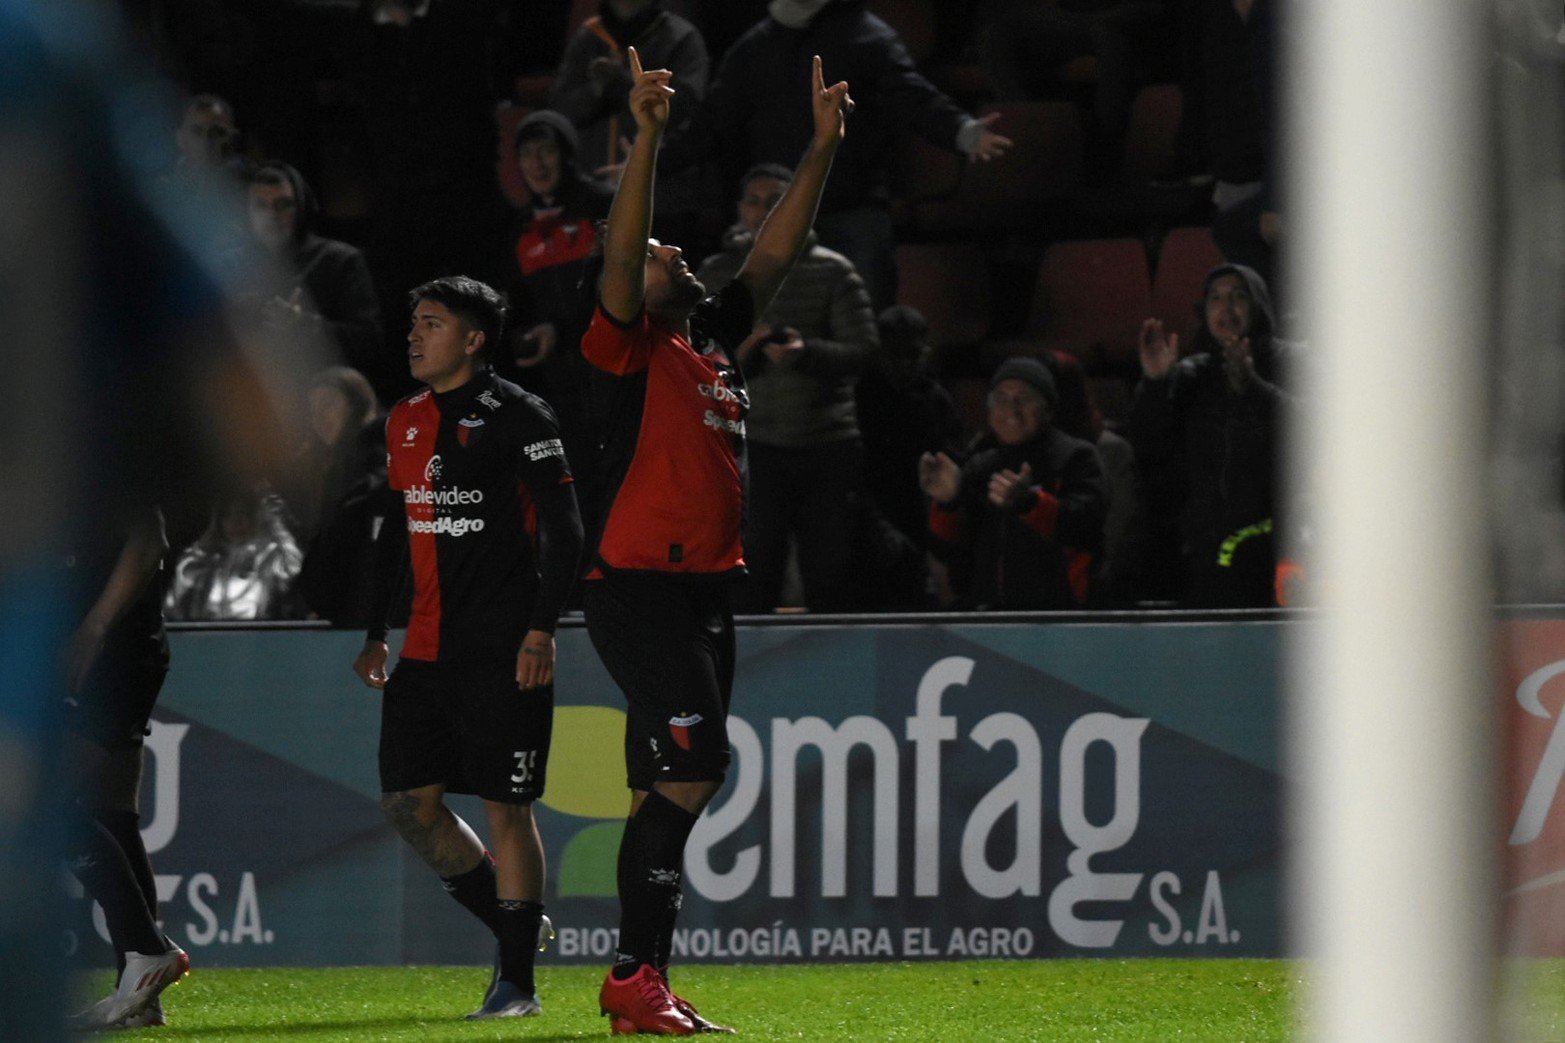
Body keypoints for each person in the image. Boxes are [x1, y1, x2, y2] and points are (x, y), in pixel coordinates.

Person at [581, 47, 850, 1034]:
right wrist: (645, 136)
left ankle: (641, 978)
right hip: (637, 584)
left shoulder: (703, 351)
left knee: (671, 780)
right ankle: (627, 973)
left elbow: (773, 254)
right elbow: (617, 253)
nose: (669, 253)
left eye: (671, 250)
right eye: (658, 254)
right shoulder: (625, 349)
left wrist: (818, 149)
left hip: (702, 593)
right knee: (692, 771)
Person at [352, 276, 584, 1020]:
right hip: (421, 650)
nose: (414, 336)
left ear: (475, 338)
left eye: (431, 323)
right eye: (412, 322)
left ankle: (516, 982)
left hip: (501, 646)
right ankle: (514, 925)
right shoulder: (405, 420)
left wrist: (541, 627)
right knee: (407, 804)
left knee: (504, 806)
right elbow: (397, 530)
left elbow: (566, 530)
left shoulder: (522, 416)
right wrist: (373, 632)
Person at [658, 0, 1012, 308]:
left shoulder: (865, 36)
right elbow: (711, 122)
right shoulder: (757, 45)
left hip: (851, 208)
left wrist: (962, 131)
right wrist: (649, 165)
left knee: (866, 322)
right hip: (780, 215)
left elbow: (912, 96)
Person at [697, 162, 878, 612]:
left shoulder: (832, 270)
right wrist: (748, 354)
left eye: (776, 201)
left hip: (827, 443)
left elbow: (865, 351)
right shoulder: (718, 272)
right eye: (754, 201)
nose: (763, 211)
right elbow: (693, 363)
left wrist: (807, 353)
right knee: (753, 575)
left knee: (830, 575)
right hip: (752, 445)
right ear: (739, 209)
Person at [63, 509, 190, 1030]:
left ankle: (144, 948)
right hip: (114, 650)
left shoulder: (101, 443)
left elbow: (148, 535)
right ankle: (139, 994)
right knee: (111, 815)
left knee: (40, 802)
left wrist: (93, 628)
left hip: (105, 655)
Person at [1128, 262, 1296, 606]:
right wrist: (1157, 383)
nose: (1226, 308)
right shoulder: (1192, 373)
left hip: (1282, 545)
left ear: (1258, 305)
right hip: (1207, 548)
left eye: (1238, 297)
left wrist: (1253, 388)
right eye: (1215, 299)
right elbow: (1150, 445)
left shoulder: (1292, 361)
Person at [919, 357, 1107, 610]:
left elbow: (1086, 526)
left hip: (1060, 617)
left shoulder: (1076, 457)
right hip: (989, 620)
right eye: (1001, 399)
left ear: (1048, 408)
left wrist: (1029, 504)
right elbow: (947, 550)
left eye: (1024, 399)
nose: (1012, 410)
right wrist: (948, 502)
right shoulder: (978, 465)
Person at [503, 110, 615, 531]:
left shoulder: (600, 206)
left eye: (546, 151)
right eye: (526, 154)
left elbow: (621, 288)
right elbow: (517, 306)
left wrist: (563, 330)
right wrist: (523, 337)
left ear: (566, 155)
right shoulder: (518, 228)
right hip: (557, 387)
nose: (537, 164)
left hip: (609, 372)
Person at [548, 0, 714, 256]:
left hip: (660, 198)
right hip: (595, 196)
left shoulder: (680, 37)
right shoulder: (588, 37)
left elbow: (687, 111)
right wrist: (596, 89)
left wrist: (622, 83)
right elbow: (561, 113)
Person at [243, 163, 387, 396]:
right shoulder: (230, 267)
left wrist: (304, 325)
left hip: (323, 402)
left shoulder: (340, 260)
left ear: (301, 208)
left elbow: (369, 343)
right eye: (260, 206)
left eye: (283, 205)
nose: (271, 215)